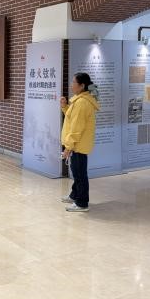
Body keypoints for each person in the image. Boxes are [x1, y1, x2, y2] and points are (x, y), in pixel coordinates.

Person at [60, 72, 100, 213]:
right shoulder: (79, 100)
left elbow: (76, 128)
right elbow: (72, 118)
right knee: (77, 172)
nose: (71, 85)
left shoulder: (82, 103)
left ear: (82, 86)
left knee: (80, 174)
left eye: (74, 82)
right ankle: (74, 195)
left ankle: (82, 203)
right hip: (78, 144)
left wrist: (68, 148)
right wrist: (64, 106)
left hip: (78, 145)